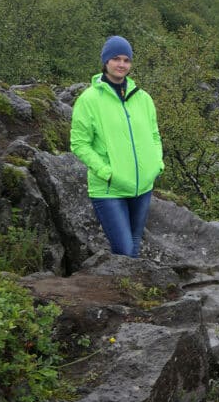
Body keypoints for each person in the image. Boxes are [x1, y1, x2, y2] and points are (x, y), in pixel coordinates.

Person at [70, 35, 164, 257]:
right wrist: (105, 172)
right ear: (105, 62)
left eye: (126, 60)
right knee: (124, 250)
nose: (122, 64)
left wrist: (156, 165)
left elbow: (154, 135)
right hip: (109, 188)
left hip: (143, 187)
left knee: (134, 245)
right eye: (116, 59)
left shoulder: (143, 98)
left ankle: (131, 291)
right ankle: (126, 288)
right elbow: (79, 144)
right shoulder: (89, 99)